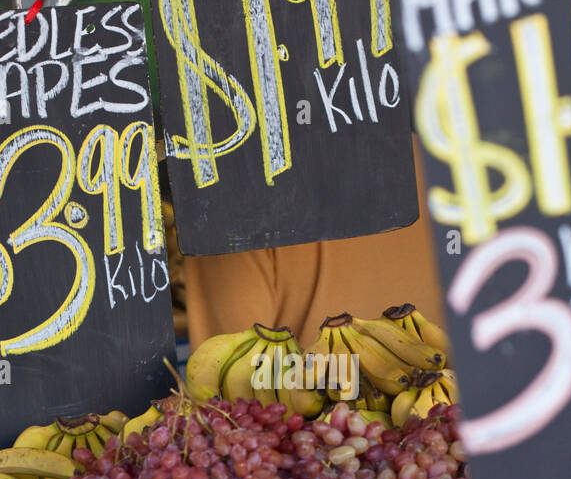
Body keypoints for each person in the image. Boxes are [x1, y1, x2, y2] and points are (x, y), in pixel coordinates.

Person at [184, 137, 446, 347]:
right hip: (458, 407)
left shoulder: (227, 197)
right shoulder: (448, 163)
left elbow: (230, 393)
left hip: (309, 408)